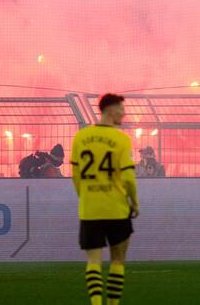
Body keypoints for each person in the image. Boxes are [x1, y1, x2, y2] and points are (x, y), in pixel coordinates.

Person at [71, 93, 139, 305]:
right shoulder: (121, 139)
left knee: (93, 261)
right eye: (121, 109)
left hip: (90, 208)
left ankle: (97, 303)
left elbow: (76, 175)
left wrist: (86, 196)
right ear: (110, 109)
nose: (123, 113)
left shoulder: (80, 137)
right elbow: (128, 177)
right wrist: (134, 201)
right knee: (118, 259)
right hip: (116, 207)